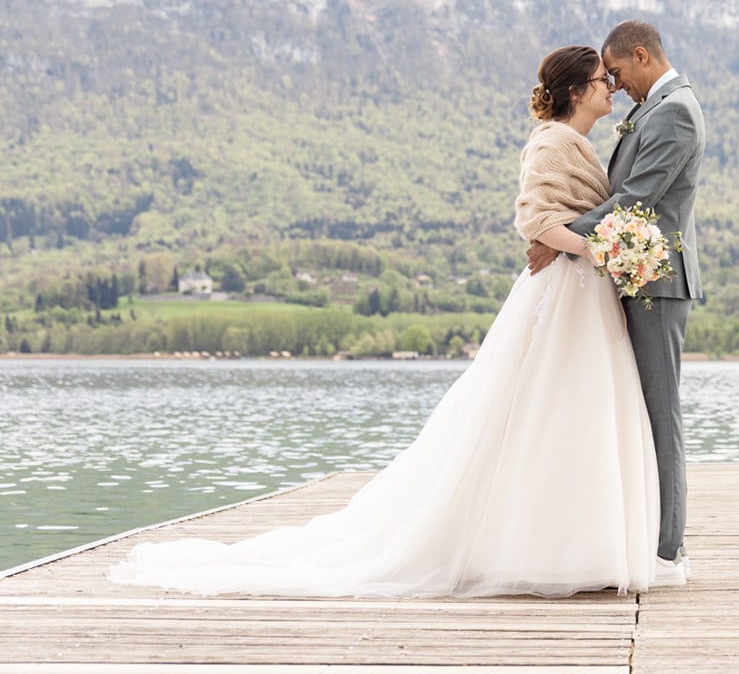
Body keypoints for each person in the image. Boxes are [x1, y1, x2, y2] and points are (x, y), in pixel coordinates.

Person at [108, 46, 659, 598]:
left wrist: (597, 249)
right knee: (546, 414)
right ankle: (541, 549)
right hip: (565, 293)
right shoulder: (552, 143)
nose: (609, 85)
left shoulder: (579, 144)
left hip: (582, 294)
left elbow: (566, 222)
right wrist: (601, 252)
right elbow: (535, 220)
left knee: (574, 416)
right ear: (573, 91)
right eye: (599, 78)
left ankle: (578, 545)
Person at [527, 20, 705, 586]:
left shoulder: (673, 110)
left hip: (656, 284)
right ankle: (628, 539)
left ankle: (664, 553)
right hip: (630, 277)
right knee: (629, 412)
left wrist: (554, 235)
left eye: (620, 73)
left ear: (640, 54)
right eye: (607, 79)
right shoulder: (656, 108)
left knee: (659, 413)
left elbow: (634, 198)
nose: (617, 85)